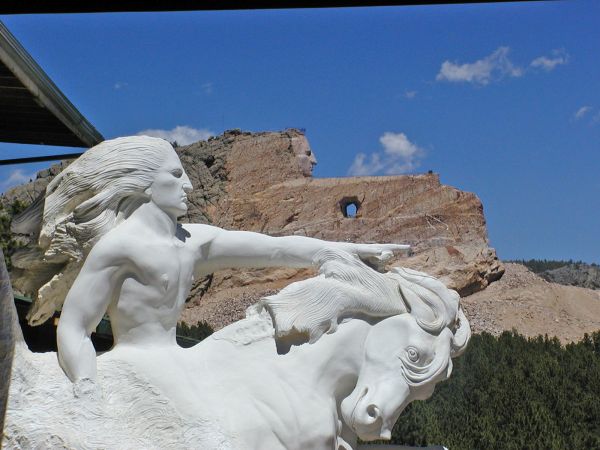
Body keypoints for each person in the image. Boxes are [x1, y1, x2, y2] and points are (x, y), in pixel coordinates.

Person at [45, 136, 408, 391]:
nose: (188, 184)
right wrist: (87, 389)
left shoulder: (193, 242)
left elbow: (275, 249)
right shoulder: (118, 248)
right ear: (144, 185)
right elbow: (75, 328)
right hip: (135, 371)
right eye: (175, 175)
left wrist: (350, 251)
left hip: (178, 364)